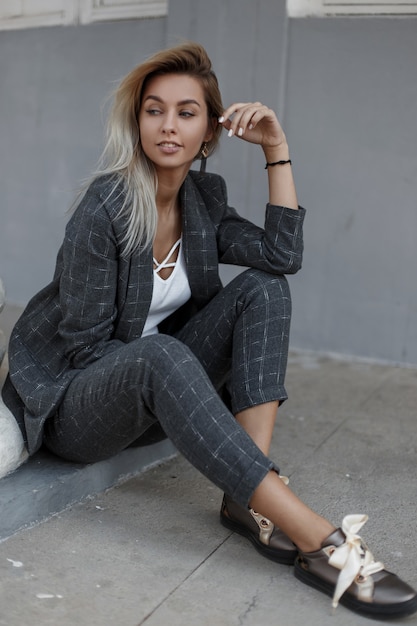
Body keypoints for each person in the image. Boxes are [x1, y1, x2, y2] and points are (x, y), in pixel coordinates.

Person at [2, 42, 416, 620]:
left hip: (154, 385)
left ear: (210, 131)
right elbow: (87, 351)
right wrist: (180, 386)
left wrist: (277, 148)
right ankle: (315, 536)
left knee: (265, 288)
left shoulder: (203, 199)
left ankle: (248, 503)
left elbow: (281, 254)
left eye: (186, 112)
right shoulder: (106, 208)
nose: (168, 126)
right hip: (77, 405)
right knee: (160, 354)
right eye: (154, 110)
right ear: (138, 120)